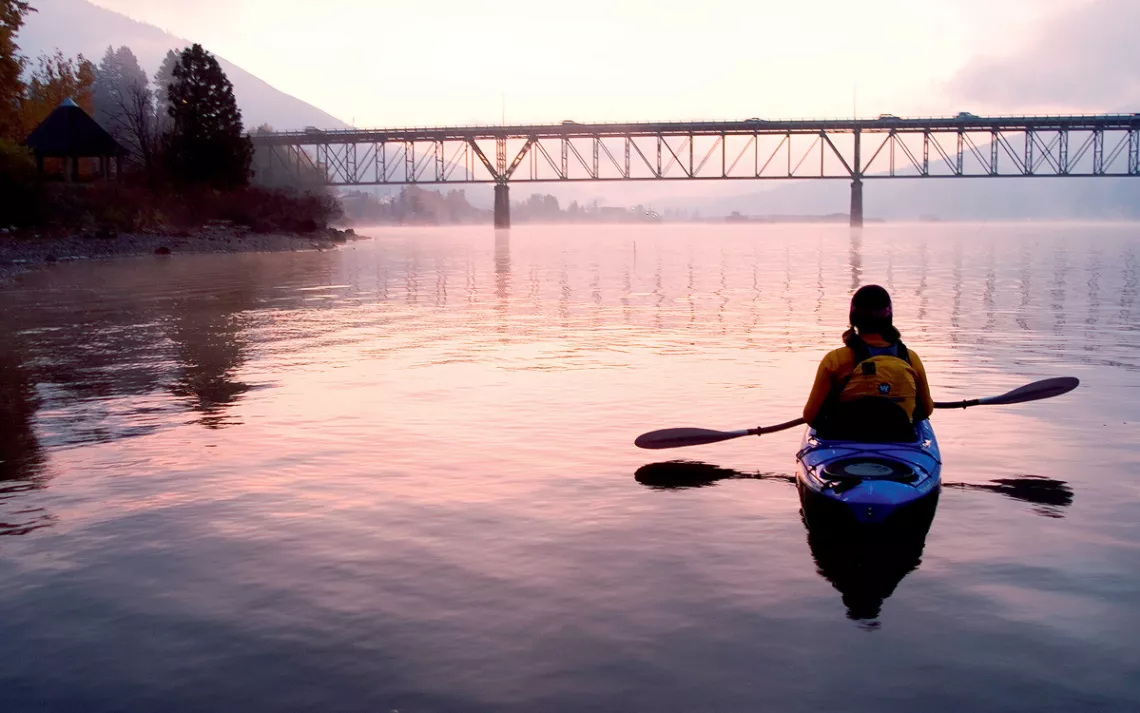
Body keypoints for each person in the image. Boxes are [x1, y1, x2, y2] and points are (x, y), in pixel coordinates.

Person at [803, 285, 934, 442]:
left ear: (854, 318)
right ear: (889, 318)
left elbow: (810, 417)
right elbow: (926, 410)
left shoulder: (835, 360)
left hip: (843, 441)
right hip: (899, 439)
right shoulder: (910, 359)